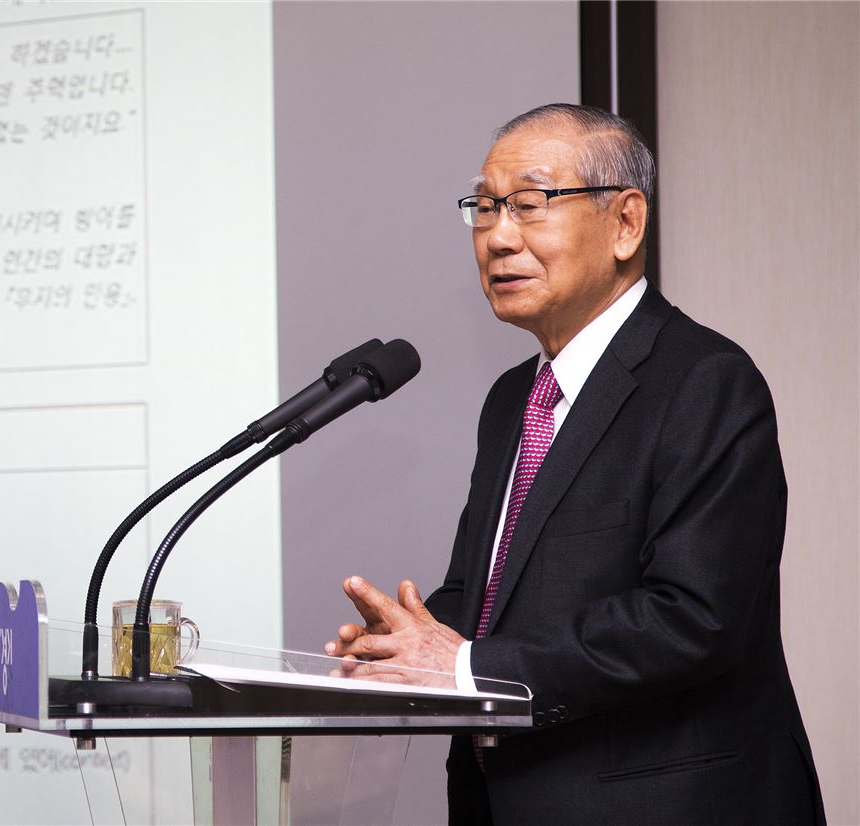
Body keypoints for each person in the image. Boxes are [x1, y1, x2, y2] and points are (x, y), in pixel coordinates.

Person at [325, 104, 825, 825]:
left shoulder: (704, 380)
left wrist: (464, 667)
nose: (498, 237)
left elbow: (693, 617)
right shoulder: (513, 399)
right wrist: (405, 643)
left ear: (626, 223)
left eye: (529, 204)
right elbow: (489, 594)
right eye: (484, 208)